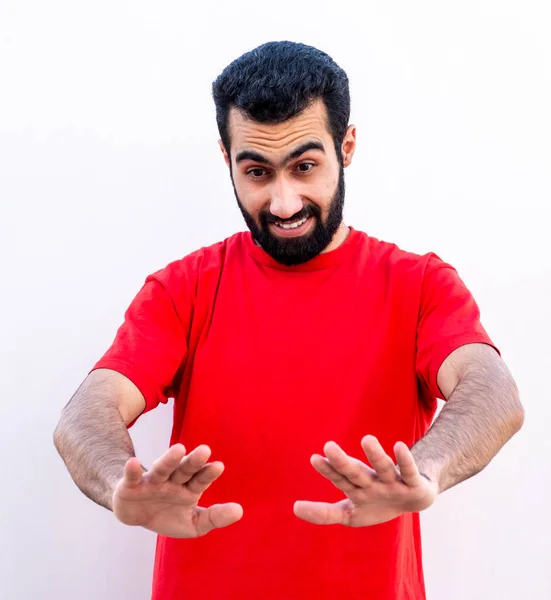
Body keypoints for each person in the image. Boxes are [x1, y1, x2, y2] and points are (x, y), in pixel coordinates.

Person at [53, 41, 524, 600]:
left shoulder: (419, 284)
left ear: (345, 146)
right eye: (257, 171)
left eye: (305, 166)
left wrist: (428, 468)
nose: (283, 202)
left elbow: (492, 391)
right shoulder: (183, 289)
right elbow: (88, 410)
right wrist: (116, 484)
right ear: (226, 159)